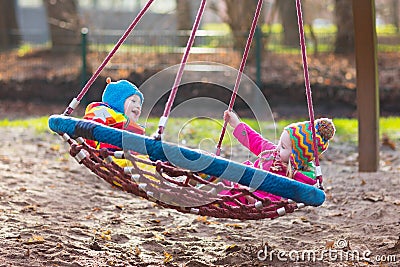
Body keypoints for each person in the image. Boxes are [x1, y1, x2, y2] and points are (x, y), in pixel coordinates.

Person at [222, 110, 335, 203]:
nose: (277, 148)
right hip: (236, 180)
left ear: (296, 157)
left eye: (283, 147)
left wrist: (245, 191)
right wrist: (236, 124)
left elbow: (268, 202)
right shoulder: (275, 154)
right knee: (214, 165)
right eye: (279, 143)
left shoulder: (292, 181)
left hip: (237, 198)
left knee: (217, 184)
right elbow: (255, 140)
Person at [83, 77, 145, 152]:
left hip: (135, 157)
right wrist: (86, 148)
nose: (138, 106)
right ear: (117, 101)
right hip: (111, 155)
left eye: (140, 104)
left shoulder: (132, 126)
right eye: (133, 101)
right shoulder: (105, 111)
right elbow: (89, 127)